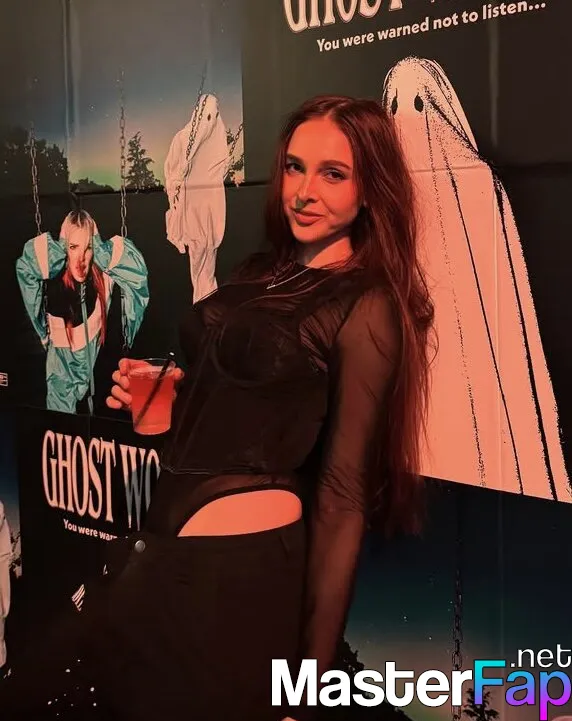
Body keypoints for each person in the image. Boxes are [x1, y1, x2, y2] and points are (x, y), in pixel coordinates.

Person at [0, 95, 434, 721]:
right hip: (160, 549)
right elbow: (246, 402)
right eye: (294, 167)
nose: (304, 191)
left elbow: (342, 498)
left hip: (235, 580)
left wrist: (306, 695)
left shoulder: (364, 305)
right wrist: (172, 400)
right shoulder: (261, 271)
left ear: (369, 190)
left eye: (332, 174)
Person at [15, 209, 149, 414]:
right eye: (73, 247)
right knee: (61, 424)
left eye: (88, 248)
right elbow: (26, 270)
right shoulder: (53, 281)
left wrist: (102, 250)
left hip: (99, 378)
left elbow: (137, 278)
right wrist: (58, 249)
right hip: (61, 369)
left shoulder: (104, 277)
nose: (80, 260)